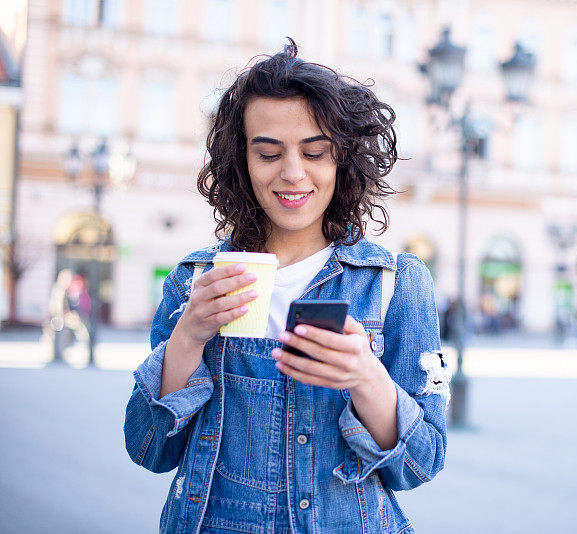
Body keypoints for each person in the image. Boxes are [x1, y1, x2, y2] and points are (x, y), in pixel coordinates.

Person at [124, 41, 448, 534]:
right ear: (242, 162)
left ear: (343, 159)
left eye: (315, 152)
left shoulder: (395, 285)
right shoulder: (195, 280)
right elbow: (148, 449)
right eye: (269, 153)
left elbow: (422, 464)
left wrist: (365, 376)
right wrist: (188, 337)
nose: (293, 173)